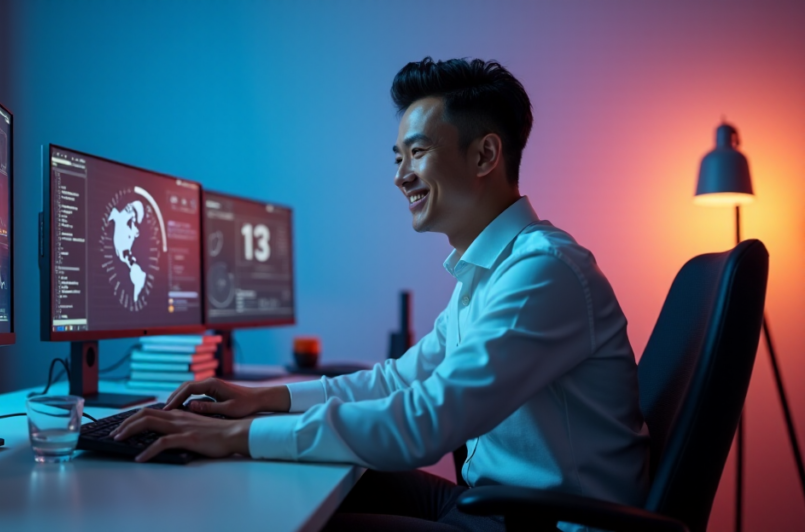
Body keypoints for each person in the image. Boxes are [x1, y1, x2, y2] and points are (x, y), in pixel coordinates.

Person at [110, 57, 650, 532]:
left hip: (545, 525)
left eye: (416, 153)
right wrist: (266, 400)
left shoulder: (543, 272)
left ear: (485, 155)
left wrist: (240, 434)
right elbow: (402, 378)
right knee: (274, 479)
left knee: (289, 513)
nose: (400, 177)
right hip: (493, 505)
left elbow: (426, 422)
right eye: (397, 158)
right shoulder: (488, 274)